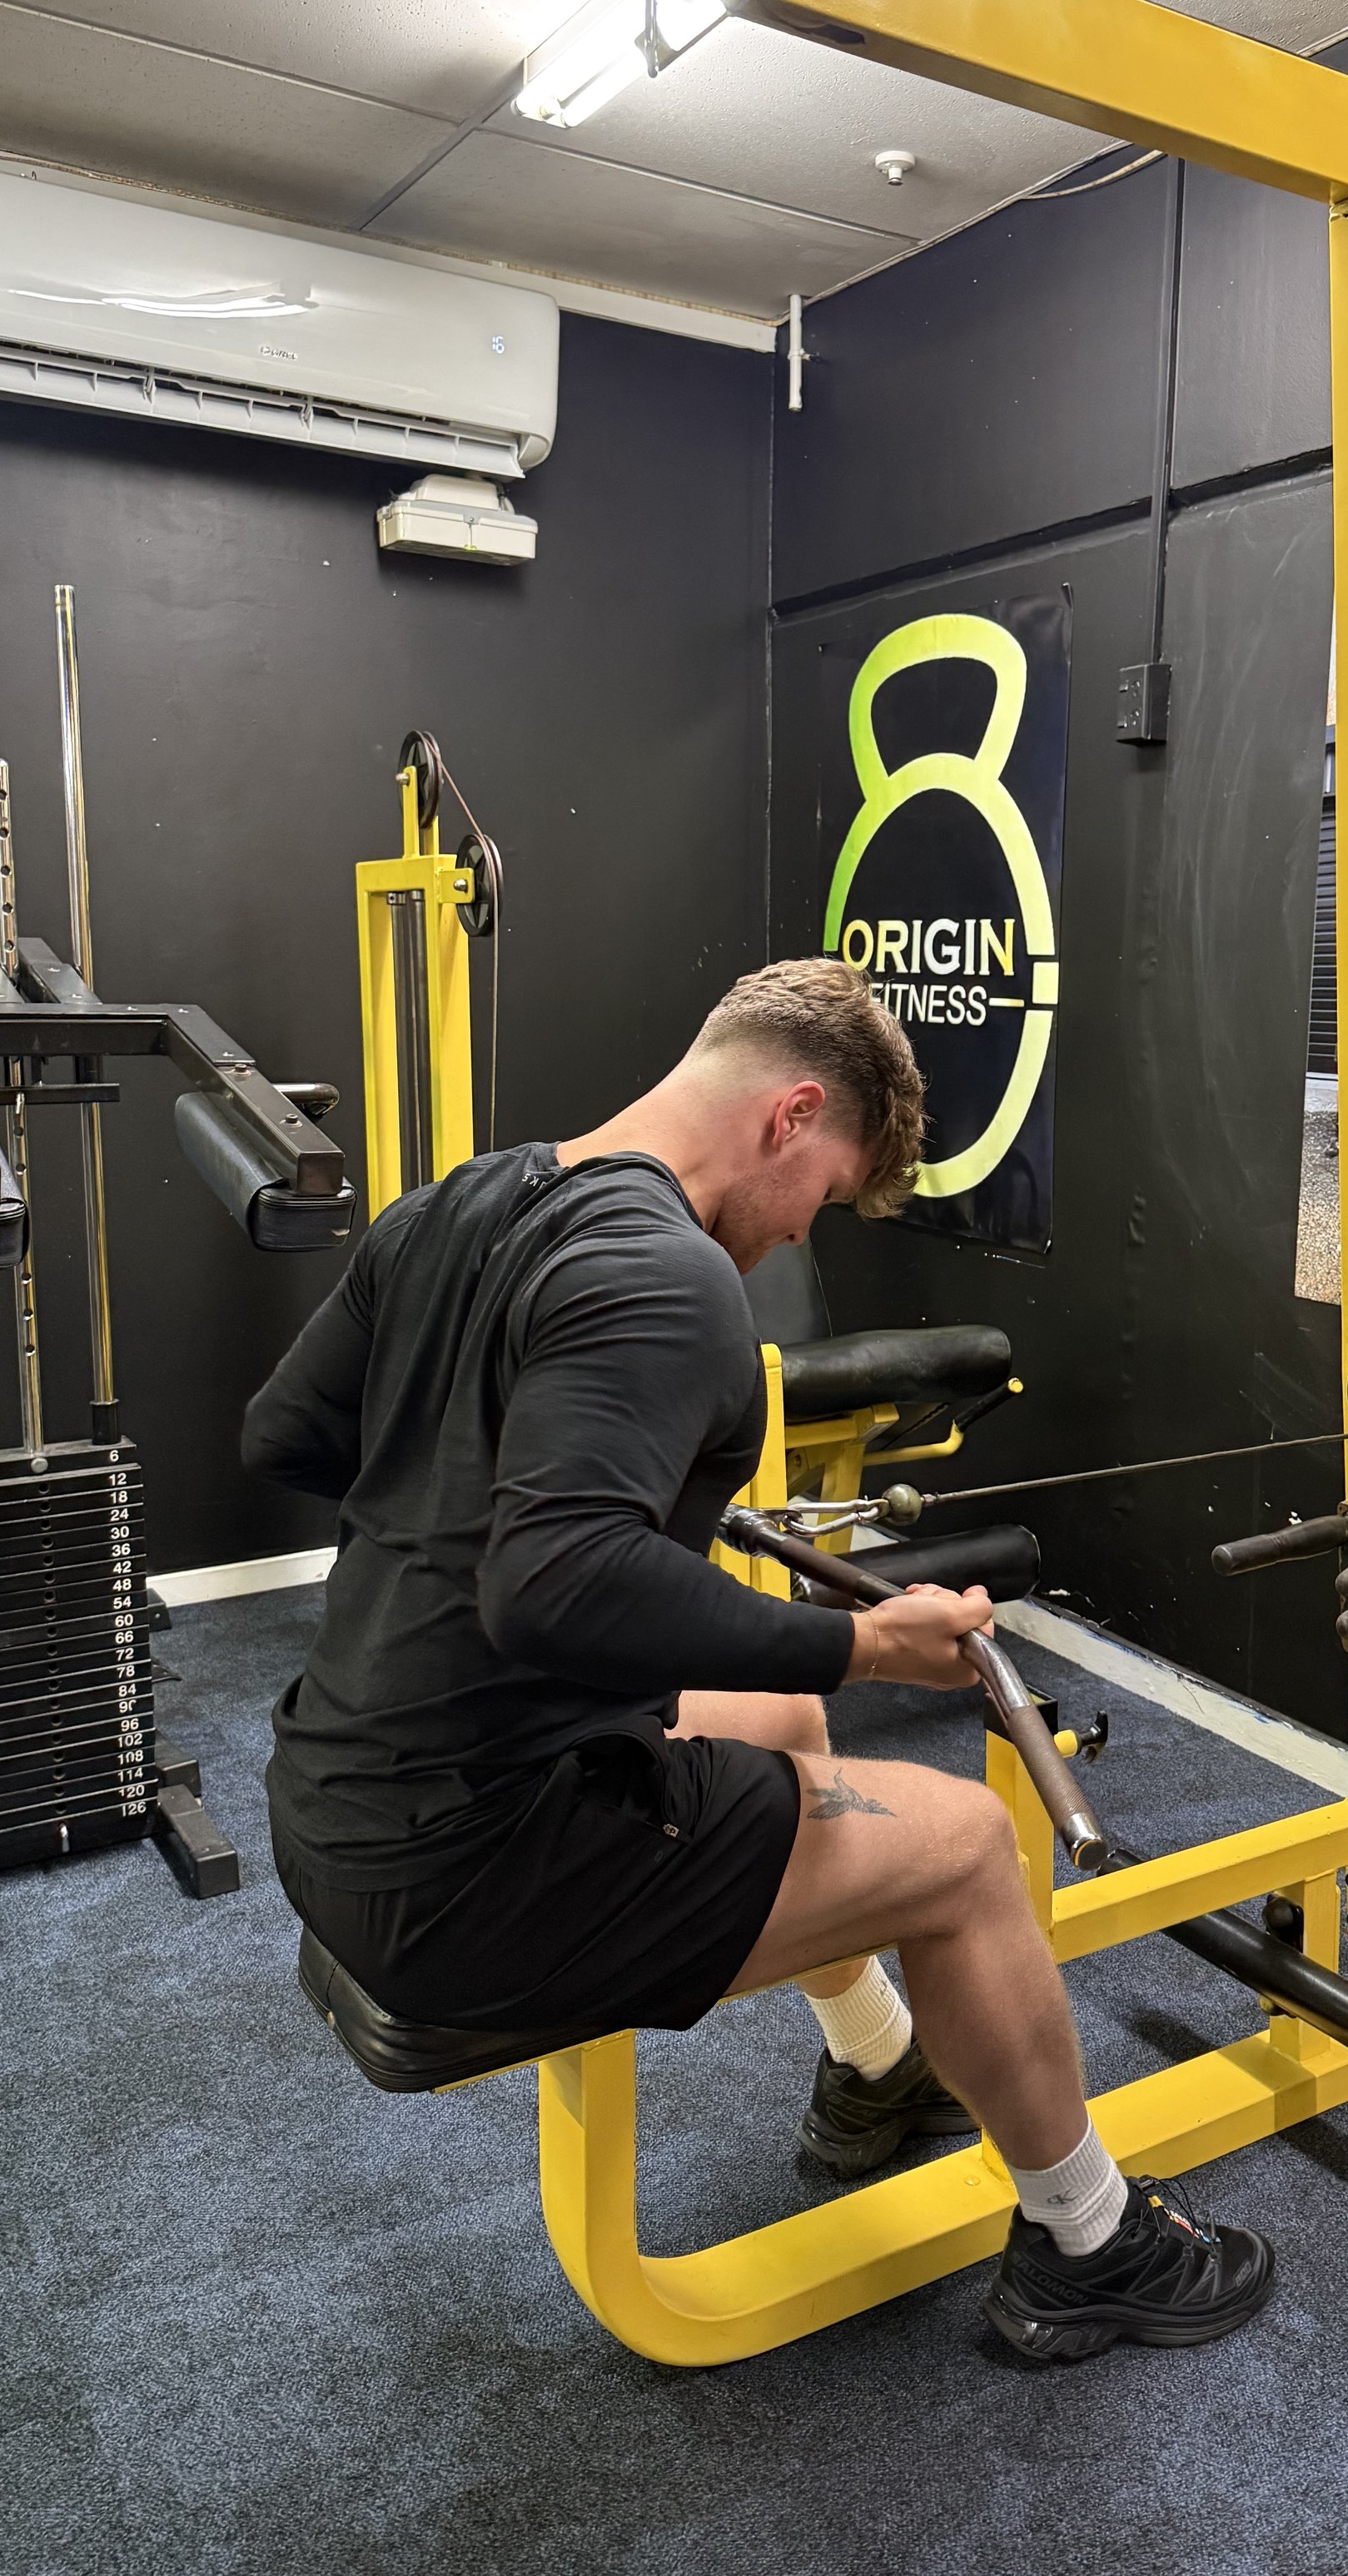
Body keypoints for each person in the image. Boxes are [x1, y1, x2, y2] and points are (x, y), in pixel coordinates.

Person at [244, 956, 1273, 2363]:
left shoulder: (457, 1202)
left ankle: (877, 2070)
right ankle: (1091, 2244)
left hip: (333, 1796)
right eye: (827, 1196)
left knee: (777, 1716)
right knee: (969, 1844)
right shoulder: (668, 1270)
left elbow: (285, 1440)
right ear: (792, 1114)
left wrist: (473, 1495)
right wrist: (864, 1639)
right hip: (463, 1874)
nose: (794, 1240)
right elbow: (555, 1584)